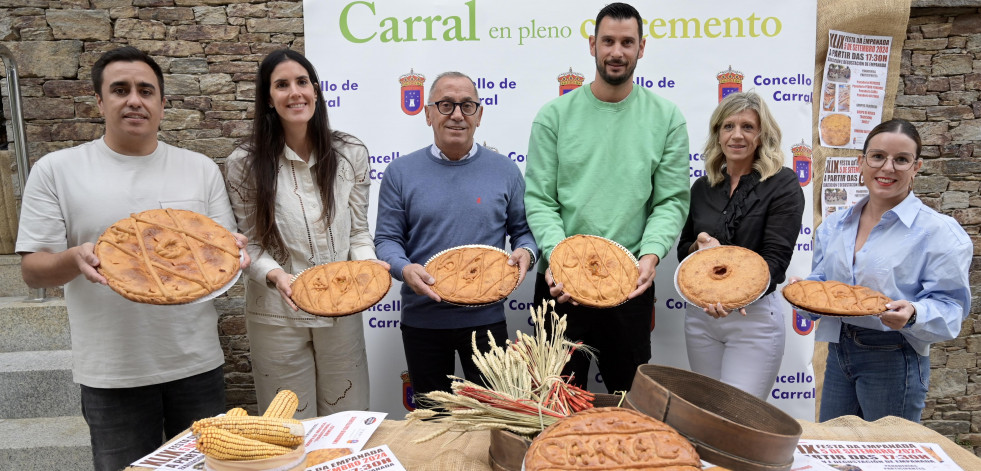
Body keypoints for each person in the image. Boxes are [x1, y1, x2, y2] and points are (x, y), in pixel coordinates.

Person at [15, 46, 250, 471]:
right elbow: (33, 271)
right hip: (112, 372)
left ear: (162, 103)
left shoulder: (199, 168)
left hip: (196, 363)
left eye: (146, 90)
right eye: (120, 90)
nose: (134, 100)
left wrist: (235, 254)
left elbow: (224, 252)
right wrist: (74, 259)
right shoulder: (57, 170)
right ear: (100, 101)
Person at [524, 2, 690, 393]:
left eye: (627, 42)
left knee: (627, 403)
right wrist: (564, 261)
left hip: (629, 283)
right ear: (592, 45)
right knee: (554, 406)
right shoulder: (554, 116)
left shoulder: (666, 118)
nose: (617, 51)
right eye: (609, 41)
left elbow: (671, 201)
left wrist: (650, 256)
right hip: (560, 285)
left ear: (642, 48)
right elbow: (540, 200)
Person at [225, 49, 387, 418]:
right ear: (268, 98)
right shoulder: (243, 163)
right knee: (288, 425)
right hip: (276, 315)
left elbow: (359, 233)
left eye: (302, 82)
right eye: (282, 85)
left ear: (315, 90)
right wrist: (276, 275)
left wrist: (370, 272)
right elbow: (249, 243)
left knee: (347, 418)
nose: (294, 92)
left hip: (341, 310)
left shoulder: (350, 152)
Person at [374, 71, 538, 397]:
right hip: (422, 321)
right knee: (433, 424)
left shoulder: (505, 171)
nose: (457, 115)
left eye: (467, 105)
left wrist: (528, 253)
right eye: (446, 105)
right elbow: (386, 239)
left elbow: (524, 232)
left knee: (494, 421)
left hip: (487, 321)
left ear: (479, 115)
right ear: (428, 113)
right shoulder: (399, 173)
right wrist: (403, 268)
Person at [800, 118, 971, 422]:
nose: (887, 168)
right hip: (840, 352)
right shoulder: (835, 225)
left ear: (916, 168)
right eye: (878, 156)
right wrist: (805, 296)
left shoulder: (939, 232)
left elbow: (952, 308)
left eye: (901, 160)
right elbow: (824, 282)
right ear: (861, 163)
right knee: (836, 455)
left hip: (895, 355)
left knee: (888, 456)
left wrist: (914, 313)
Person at [676, 92, 804, 399]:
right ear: (717, 134)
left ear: (762, 135)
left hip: (753, 320)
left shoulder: (782, 184)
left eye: (747, 127)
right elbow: (683, 251)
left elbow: (775, 261)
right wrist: (700, 246)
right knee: (706, 412)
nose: (737, 135)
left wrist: (731, 291)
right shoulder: (702, 187)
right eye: (728, 126)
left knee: (738, 417)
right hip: (701, 317)